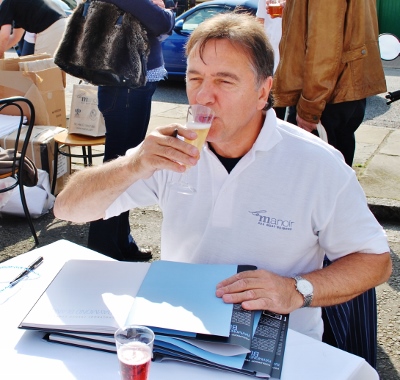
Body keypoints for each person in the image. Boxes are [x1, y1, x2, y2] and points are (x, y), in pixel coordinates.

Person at [54, 13, 391, 343]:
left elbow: (375, 261)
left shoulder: (318, 165)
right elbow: (68, 209)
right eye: (195, 78)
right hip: (182, 330)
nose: (203, 96)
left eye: (224, 81)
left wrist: (297, 290)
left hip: (281, 342)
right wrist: (131, 166)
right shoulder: (171, 150)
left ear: (263, 92)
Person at [272, 0, 387, 366]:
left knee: (316, 219)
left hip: (326, 98)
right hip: (340, 94)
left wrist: (307, 111)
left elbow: (323, 47)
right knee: (331, 215)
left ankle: (328, 326)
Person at [86, 0, 175, 262]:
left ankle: (118, 243)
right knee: (119, 170)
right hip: (124, 85)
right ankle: (105, 247)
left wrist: (162, 10)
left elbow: (161, 12)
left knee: (123, 169)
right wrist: (164, 13)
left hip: (128, 84)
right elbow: (162, 22)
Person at [272, 0, 386, 167]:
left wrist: (310, 108)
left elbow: (324, 47)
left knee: (309, 180)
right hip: (344, 90)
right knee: (338, 177)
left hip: (326, 95)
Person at [0, 0, 68, 57]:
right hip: (64, 24)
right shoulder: (19, 5)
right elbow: (16, 37)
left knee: (41, 69)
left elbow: (4, 36)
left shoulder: (6, 3)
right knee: (55, 68)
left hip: (51, 28)